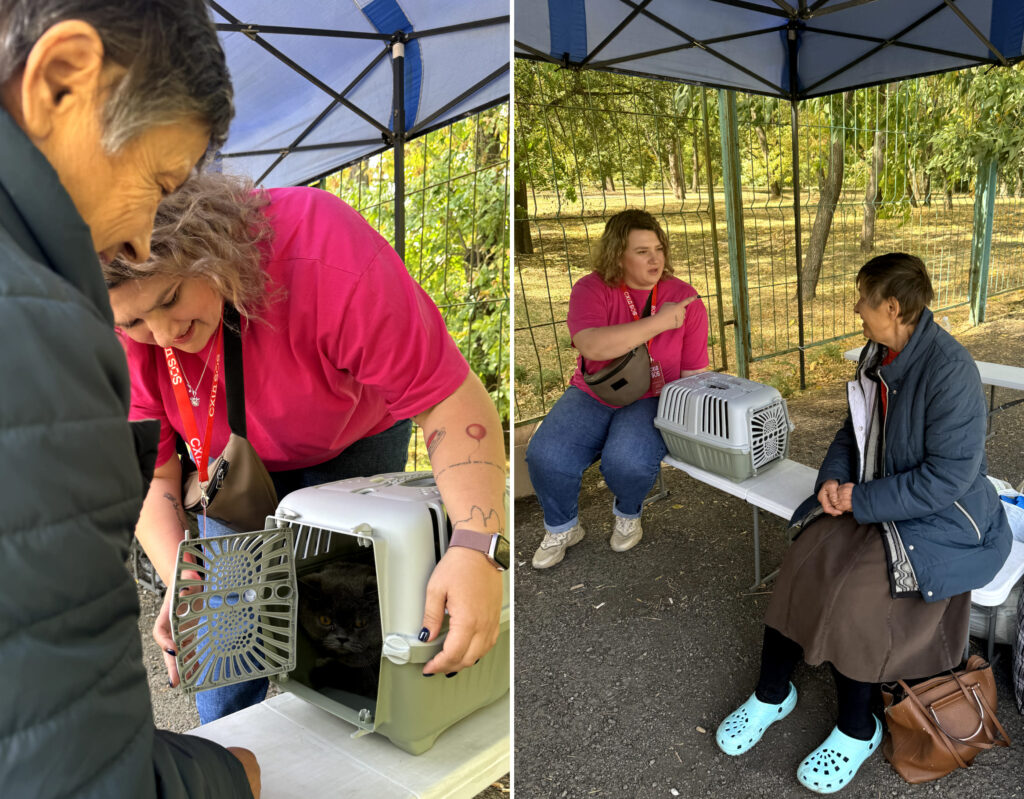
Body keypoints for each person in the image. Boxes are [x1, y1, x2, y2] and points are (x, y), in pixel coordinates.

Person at [104, 170, 508, 723]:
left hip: (352, 437)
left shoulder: (322, 249)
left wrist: (476, 547)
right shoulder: (126, 334)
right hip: (233, 474)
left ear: (210, 249)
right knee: (224, 621)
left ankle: (363, 727)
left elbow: (445, 398)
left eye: (171, 297)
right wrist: (183, 576)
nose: (163, 333)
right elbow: (151, 473)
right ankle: (222, 744)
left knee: (355, 604)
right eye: (133, 323)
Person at [0, 1, 261, 797]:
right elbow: (77, 770)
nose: (142, 240)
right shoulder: (34, 328)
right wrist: (228, 777)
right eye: (155, 180)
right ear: (62, 79)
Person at [715, 253, 1012, 794]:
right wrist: (831, 480)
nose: (855, 308)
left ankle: (859, 727)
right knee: (803, 562)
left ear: (893, 306)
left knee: (857, 595)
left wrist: (861, 498)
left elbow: (947, 480)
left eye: (862, 298)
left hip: (945, 519)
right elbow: (853, 431)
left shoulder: (952, 373)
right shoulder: (879, 354)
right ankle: (772, 692)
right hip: (876, 497)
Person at [526, 209, 709, 569]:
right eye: (642, 251)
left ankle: (628, 512)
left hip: (653, 396)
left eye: (658, 248)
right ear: (617, 255)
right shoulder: (591, 288)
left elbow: (693, 374)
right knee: (545, 454)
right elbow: (592, 346)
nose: (655, 258)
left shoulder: (685, 297)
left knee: (627, 461)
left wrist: (687, 423)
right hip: (596, 391)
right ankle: (563, 527)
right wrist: (659, 323)